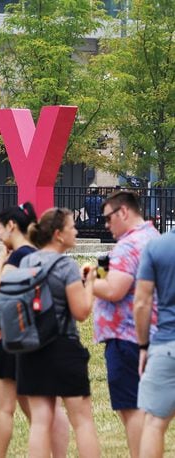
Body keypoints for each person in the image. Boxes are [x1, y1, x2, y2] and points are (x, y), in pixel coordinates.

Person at [0, 202, 69, 458]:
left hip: (7, 332)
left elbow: (0, 294)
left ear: (12, 226)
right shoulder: (37, 253)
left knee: (3, 410)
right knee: (39, 410)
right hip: (34, 333)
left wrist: (0, 264)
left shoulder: (16, 255)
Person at [19, 207, 100, 458]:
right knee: (82, 420)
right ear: (58, 234)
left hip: (31, 346)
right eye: (72, 227)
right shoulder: (66, 266)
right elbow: (81, 311)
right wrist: (91, 285)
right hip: (63, 345)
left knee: (41, 421)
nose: (76, 231)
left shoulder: (26, 261)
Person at [91, 190, 160, 457]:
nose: (106, 225)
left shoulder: (128, 245)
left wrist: (85, 280)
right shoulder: (153, 238)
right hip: (149, 333)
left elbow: (114, 290)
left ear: (123, 212)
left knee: (132, 410)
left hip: (125, 335)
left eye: (108, 218)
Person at [134, 227, 175, 457]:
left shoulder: (157, 247)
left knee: (154, 422)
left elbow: (142, 303)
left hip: (167, 344)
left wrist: (143, 345)